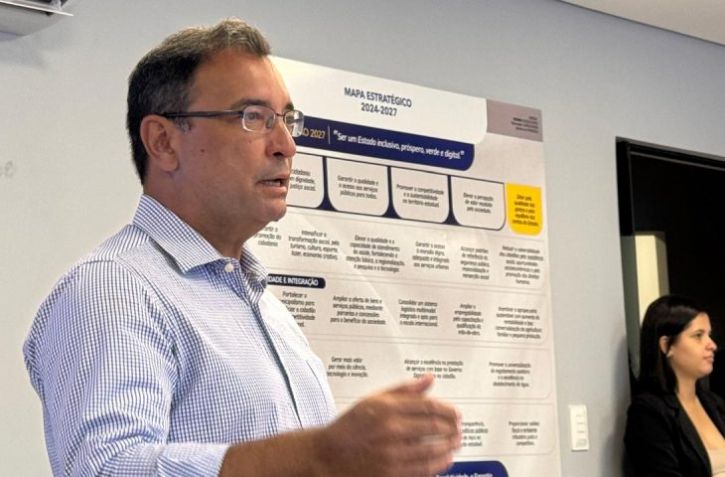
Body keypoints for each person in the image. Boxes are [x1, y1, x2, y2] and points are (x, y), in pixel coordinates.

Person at [23, 18, 461, 477]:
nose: (286, 145)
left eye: (287, 120)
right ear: (164, 142)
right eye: (253, 118)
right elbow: (108, 468)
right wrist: (319, 455)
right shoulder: (114, 288)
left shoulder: (269, 311)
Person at [624, 295, 725, 477]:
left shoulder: (714, 404)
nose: (712, 345)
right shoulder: (649, 413)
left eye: (709, 335)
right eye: (698, 336)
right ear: (666, 345)